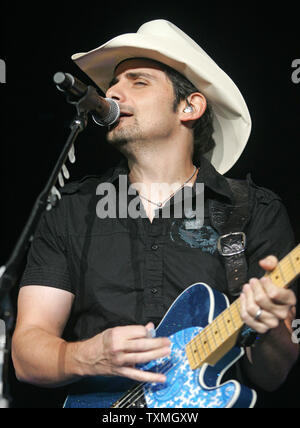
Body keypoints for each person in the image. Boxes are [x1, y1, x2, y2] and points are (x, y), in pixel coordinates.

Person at [11, 20, 298, 407]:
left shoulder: (255, 211)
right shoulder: (72, 210)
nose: (112, 92)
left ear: (190, 106)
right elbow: (27, 356)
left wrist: (271, 332)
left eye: (138, 81)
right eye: (114, 83)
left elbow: (273, 375)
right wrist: (88, 356)